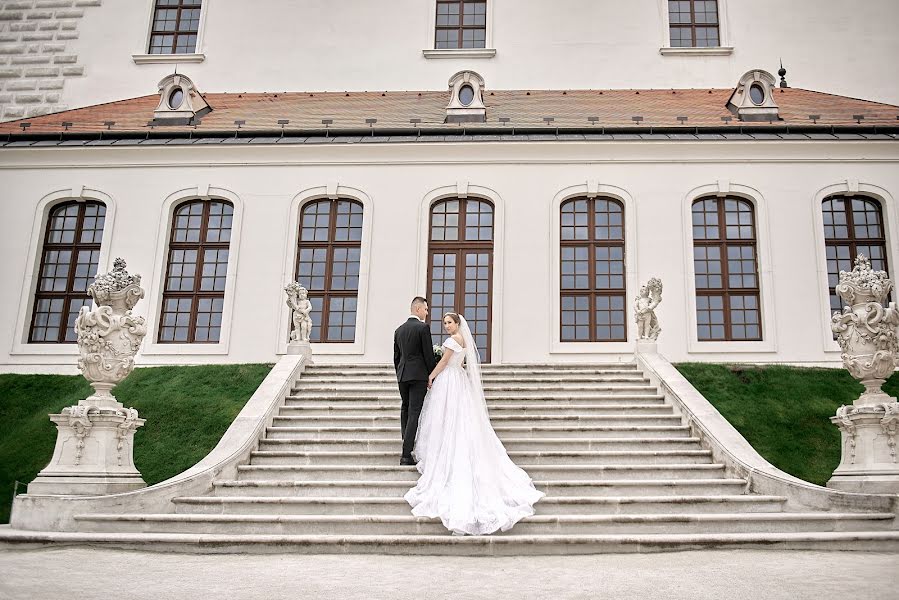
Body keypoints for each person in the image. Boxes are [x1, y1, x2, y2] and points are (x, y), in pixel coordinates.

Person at [405, 312, 544, 535]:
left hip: (450, 380)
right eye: (445, 324)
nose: (447, 326)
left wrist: (431, 376)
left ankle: (445, 450)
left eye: (449, 323)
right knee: (459, 418)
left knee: (447, 418)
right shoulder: (464, 340)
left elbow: (443, 362)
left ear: (457, 324)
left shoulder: (452, 340)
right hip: (459, 380)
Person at [393, 297, 438, 466]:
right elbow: (428, 355)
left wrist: (400, 372)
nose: (427, 313)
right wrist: (432, 374)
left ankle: (406, 442)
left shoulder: (398, 330)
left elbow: (396, 357)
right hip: (418, 376)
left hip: (402, 375)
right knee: (414, 412)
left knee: (405, 409)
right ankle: (406, 454)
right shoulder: (423, 328)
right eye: (426, 309)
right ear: (418, 309)